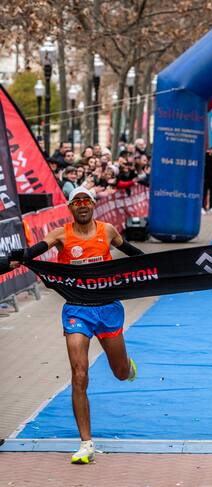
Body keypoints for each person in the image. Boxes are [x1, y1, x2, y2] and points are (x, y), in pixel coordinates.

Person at [6, 187, 145, 464]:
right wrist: (19, 257)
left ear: (92, 205)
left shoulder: (107, 231)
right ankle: (86, 443)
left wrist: (161, 268)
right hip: (77, 310)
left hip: (107, 309)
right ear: (70, 207)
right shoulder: (60, 234)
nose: (82, 205)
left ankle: (127, 366)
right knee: (79, 374)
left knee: (120, 372)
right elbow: (35, 251)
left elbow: (134, 254)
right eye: (76, 201)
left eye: (86, 201)